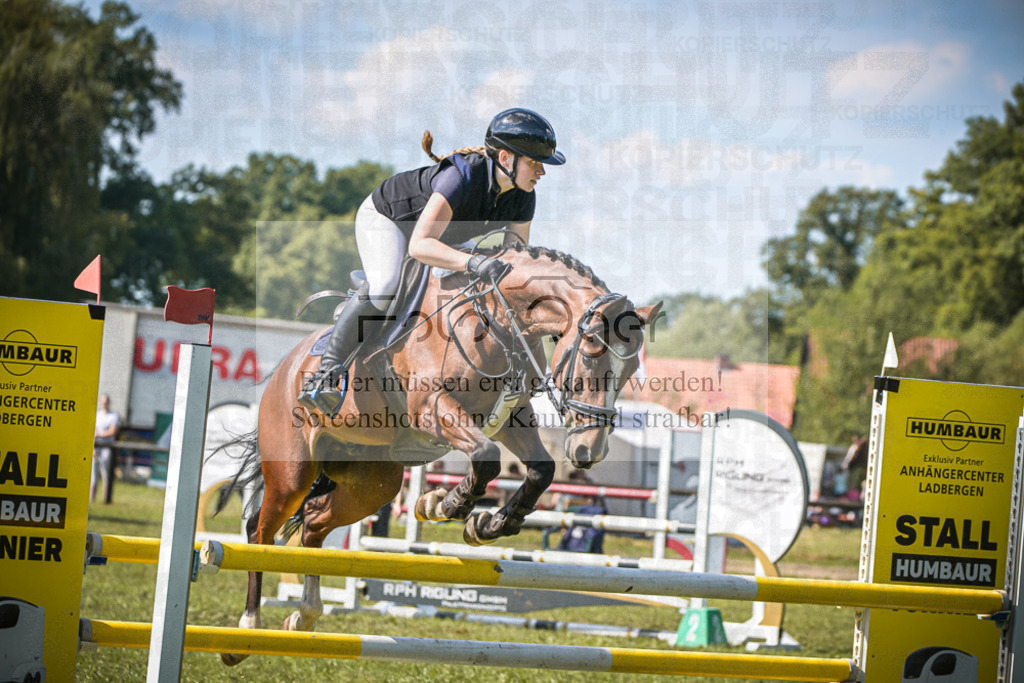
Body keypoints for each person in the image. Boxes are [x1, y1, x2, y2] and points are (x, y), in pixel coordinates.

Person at [297, 108, 566, 416]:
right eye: (534, 162)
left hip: (447, 234)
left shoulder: (523, 196)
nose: (541, 172)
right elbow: (421, 245)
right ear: (505, 159)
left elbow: (514, 257)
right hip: (391, 221)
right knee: (386, 284)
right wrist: (475, 263)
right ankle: (326, 374)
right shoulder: (461, 177)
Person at [91, 394, 120, 502]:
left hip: (107, 447)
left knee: (105, 473)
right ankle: (92, 498)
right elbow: (93, 431)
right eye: (102, 401)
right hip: (96, 446)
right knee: (94, 474)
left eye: (106, 401)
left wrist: (100, 434)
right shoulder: (97, 415)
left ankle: (106, 498)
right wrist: (93, 447)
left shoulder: (114, 416)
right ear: (100, 403)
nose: (104, 403)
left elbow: (112, 431)